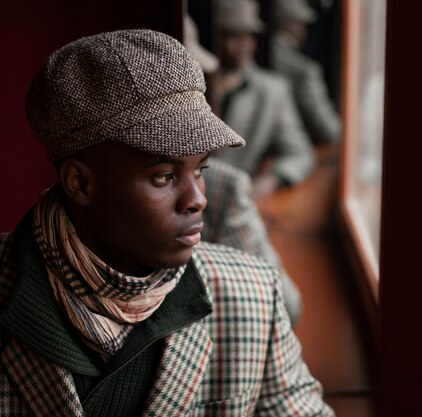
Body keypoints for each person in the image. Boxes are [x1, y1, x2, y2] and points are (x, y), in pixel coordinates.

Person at [0, 29, 333, 416]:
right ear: (81, 183)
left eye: (201, 169)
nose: (198, 199)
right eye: (164, 176)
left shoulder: (253, 296)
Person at [211, 0, 315, 199]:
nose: (243, 45)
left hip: (237, 199)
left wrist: (271, 179)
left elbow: (300, 152)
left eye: (249, 36)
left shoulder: (272, 91)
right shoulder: (197, 82)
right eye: (233, 35)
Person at [201, 158, 302, 325]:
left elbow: (285, 306)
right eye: (164, 177)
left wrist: (272, 177)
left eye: (198, 171)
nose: (196, 200)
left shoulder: (226, 188)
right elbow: (286, 306)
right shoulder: (225, 187)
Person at [271, 0, 341, 144]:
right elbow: (329, 129)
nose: (304, 30)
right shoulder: (306, 71)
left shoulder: (261, 58)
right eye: (300, 23)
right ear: (289, 23)